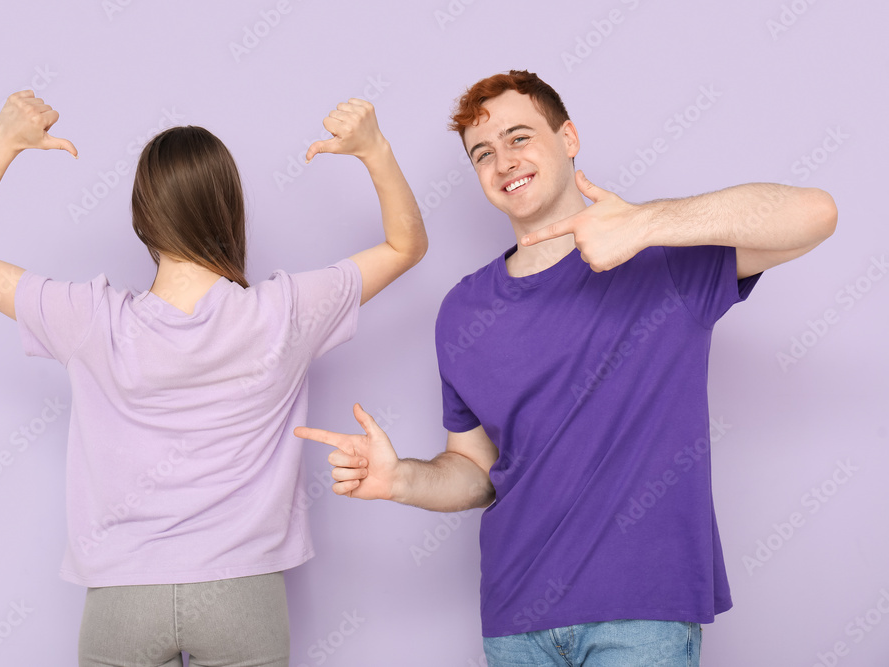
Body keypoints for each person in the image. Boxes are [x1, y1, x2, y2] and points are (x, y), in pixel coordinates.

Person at [294, 70, 837, 666]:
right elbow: (475, 473)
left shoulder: (661, 263)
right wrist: (400, 479)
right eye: (483, 153)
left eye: (519, 137)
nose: (503, 162)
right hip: (514, 624)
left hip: (642, 617)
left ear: (569, 137)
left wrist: (646, 223)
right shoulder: (462, 311)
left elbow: (815, 213)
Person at [0, 90, 427, 667]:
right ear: (230, 212)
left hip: (123, 596)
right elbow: (406, 244)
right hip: (243, 594)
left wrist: (3, 142)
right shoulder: (285, 313)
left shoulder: (89, 319)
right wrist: (375, 150)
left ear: (141, 218)